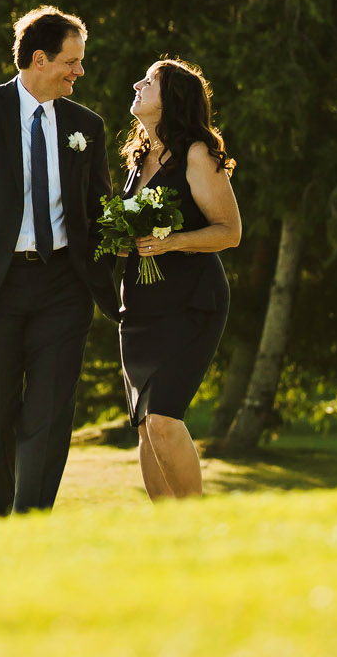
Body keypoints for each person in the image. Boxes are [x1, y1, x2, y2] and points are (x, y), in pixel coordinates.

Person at [0, 6, 120, 516]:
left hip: (63, 285)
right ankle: (4, 511)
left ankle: (31, 520)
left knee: (51, 410)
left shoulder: (86, 126)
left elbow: (97, 208)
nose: (79, 72)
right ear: (39, 58)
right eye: (72, 61)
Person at [117, 58, 241, 500]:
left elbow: (230, 231)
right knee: (148, 429)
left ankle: (199, 528)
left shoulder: (196, 153)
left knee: (165, 420)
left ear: (172, 100)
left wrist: (171, 243)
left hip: (191, 304)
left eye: (148, 81)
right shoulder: (140, 155)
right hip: (139, 308)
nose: (137, 84)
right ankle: (167, 538)